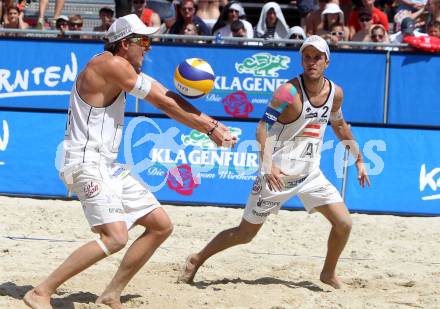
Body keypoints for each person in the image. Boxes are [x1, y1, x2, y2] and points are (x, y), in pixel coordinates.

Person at [23, 13, 236, 309]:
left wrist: (215, 124)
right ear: (125, 44)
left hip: (106, 165)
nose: (149, 48)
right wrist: (210, 129)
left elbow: (168, 96)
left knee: (160, 225)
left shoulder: (123, 68)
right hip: (85, 162)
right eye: (144, 41)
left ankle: (111, 293)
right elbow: (162, 103)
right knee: (115, 237)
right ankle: (41, 291)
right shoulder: (108, 65)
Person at [178, 35, 371, 290]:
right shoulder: (288, 92)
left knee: (344, 223)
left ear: (327, 61)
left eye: (317, 57)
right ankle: (196, 259)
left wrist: (359, 159)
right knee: (245, 235)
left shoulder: (336, 93)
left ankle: (328, 273)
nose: (311, 62)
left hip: (310, 174)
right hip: (276, 175)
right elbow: (262, 128)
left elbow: (339, 126)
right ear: (301, 60)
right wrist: (268, 165)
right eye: (307, 57)